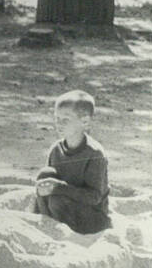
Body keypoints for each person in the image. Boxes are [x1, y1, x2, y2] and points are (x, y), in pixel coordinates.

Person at [34, 90, 111, 235]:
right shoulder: (56, 149)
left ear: (85, 121)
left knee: (57, 200)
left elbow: (94, 197)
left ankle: (66, 235)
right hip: (63, 204)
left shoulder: (94, 154)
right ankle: (44, 224)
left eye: (65, 120)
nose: (59, 124)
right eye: (57, 119)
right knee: (44, 175)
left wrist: (58, 188)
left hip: (92, 216)